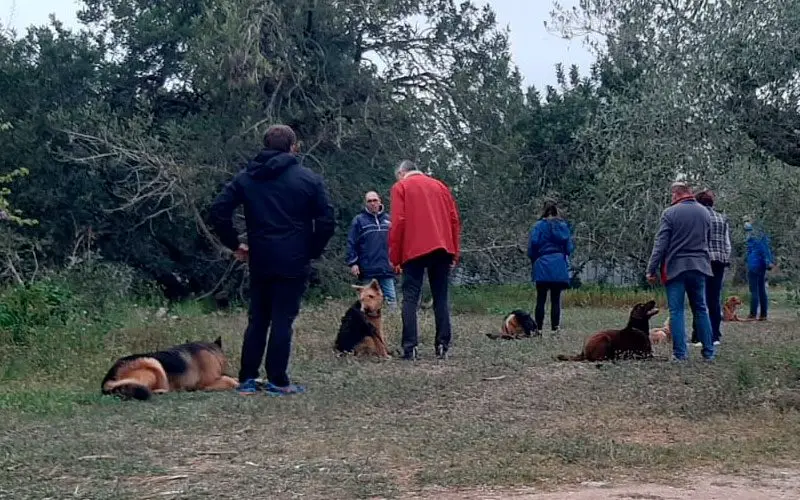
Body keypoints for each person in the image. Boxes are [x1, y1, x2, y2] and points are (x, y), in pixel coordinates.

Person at [209, 124, 335, 396]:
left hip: (261, 257)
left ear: (265, 145)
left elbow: (219, 210)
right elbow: (327, 220)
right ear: (293, 147)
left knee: (257, 319)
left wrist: (235, 243)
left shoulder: (247, 178)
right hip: (293, 258)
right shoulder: (309, 179)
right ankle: (277, 380)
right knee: (282, 320)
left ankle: (247, 380)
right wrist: (311, 249)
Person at [388, 160, 461, 361]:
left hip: (414, 249)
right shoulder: (440, 186)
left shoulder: (400, 187)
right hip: (442, 247)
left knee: (410, 297)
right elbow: (454, 219)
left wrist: (395, 258)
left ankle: (410, 347)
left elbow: (398, 223)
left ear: (402, 173)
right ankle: (442, 345)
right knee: (441, 297)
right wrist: (454, 252)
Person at [646, 181, 715, 362]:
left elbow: (660, 244)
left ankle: (680, 354)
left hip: (676, 268)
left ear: (676, 194)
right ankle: (709, 352)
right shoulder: (705, 213)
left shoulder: (669, 213)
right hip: (699, 267)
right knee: (701, 309)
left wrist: (651, 269)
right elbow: (707, 240)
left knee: (676, 311)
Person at [689, 189, 731, 346]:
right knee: (714, 298)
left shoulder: (699, 217)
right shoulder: (722, 218)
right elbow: (727, 244)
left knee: (699, 299)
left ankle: (699, 335)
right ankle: (715, 335)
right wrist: (724, 258)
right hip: (719, 261)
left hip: (702, 260)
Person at [527, 201, 574, 334]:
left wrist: (534, 259)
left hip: (542, 263)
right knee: (556, 299)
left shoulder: (538, 226)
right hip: (558, 264)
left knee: (540, 299)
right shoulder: (563, 226)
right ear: (556, 211)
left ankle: (539, 329)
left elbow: (532, 247)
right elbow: (569, 248)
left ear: (544, 211)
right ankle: (555, 329)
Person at [346, 191, 397, 309]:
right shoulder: (359, 221)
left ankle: (393, 325)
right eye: (369, 201)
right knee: (368, 303)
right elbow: (351, 243)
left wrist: (397, 261)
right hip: (367, 268)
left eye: (375, 200)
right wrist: (353, 263)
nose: (373, 203)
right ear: (366, 203)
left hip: (386, 268)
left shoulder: (389, 220)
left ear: (380, 201)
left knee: (391, 301)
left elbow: (395, 242)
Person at [744, 221, 775, 320]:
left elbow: (759, 250)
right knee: (761, 289)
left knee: (754, 290)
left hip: (754, 264)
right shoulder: (763, 235)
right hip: (761, 265)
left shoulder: (752, 236)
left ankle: (753, 314)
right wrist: (769, 261)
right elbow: (766, 249)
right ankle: (763, 314)